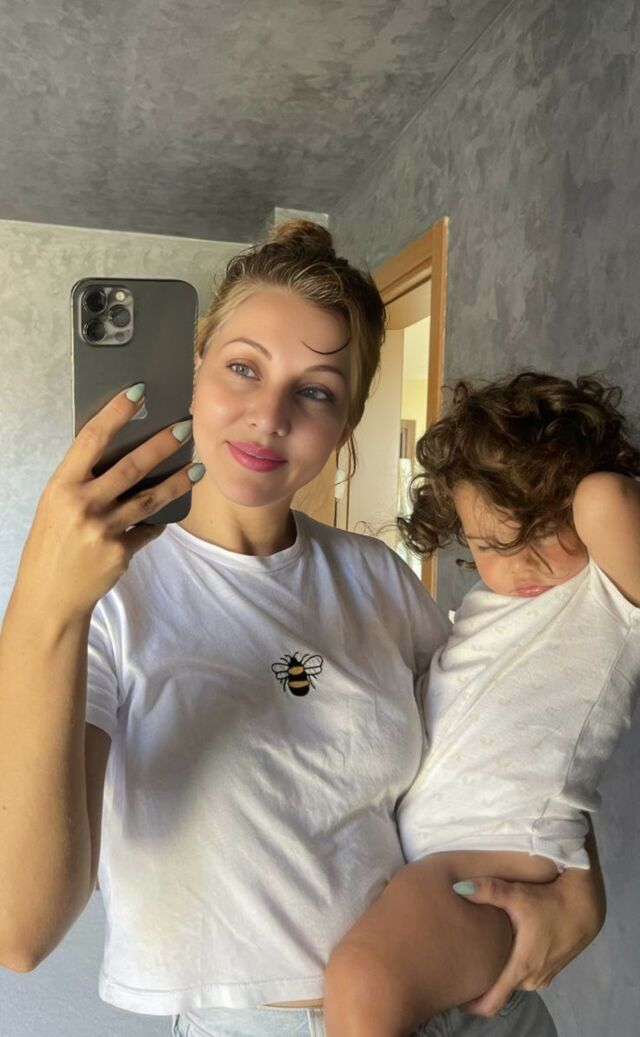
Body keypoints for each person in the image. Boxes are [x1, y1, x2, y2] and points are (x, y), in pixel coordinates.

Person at [0, 227, 604, 1037]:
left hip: (474, 1004)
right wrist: (45, 603)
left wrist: (580, 882)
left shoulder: (376, 577)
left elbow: (511, 725)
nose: (269, 416)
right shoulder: (102, 598)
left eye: (316, 391)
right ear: (194, 370)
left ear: (345, 426)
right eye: (243, 367)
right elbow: (22, 931)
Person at [324, 371, 640, 1037]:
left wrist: (572, 467)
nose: (522, 565)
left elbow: (605, 496)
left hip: (496, 855)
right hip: (443, 855)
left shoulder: (607, 594)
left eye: (543, 531)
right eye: (491, 545)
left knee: (362, 983)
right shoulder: (482, 608)